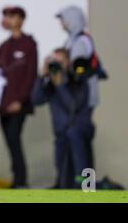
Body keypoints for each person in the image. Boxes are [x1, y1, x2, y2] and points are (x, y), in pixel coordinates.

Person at [31, 48, 94, 188]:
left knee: (81, 168)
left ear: (68, 62)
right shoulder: (51, 83)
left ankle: (85, 185)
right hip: (61, 135)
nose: (57, 66)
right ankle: (65, 185)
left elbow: (73, 106)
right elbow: (35, 100)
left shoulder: (78, 80)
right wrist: (42, 76)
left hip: (80, 131)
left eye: (60, 62)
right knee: (64, 178)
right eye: (54, 62)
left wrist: (60, 86)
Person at [0, 6, 37, 188]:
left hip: (18, 104)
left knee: (14, 139)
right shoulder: (3, 47)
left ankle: (20, 180)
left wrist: (19, 101)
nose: (8, 19)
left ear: (21, 19)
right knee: (10, 142)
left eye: (12, 16)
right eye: (6, 16)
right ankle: (17, 178)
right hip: (3, 106)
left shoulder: (29, 45)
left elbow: (30, 75)